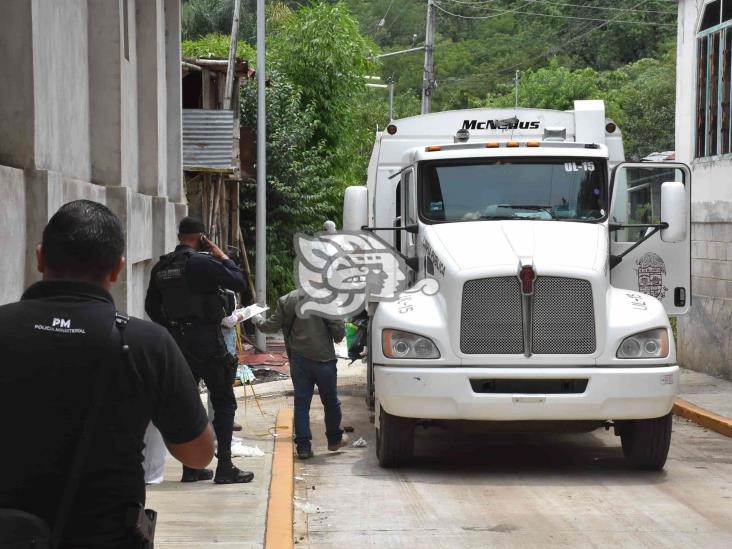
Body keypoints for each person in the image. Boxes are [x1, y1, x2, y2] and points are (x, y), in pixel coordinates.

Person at [0, 200, 215, 548]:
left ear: (40, 257)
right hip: (106, 535)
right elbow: (198, 454)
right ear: (117, 270)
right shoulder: (147, 344)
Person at [145, 217, 253, 484]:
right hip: (206, 339)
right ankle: (225, 466)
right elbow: (239, 281)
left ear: (180, 235)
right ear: (202, 237)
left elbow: (151, 307)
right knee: (223, 401)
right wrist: (221, 255)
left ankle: (191, 468)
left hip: (178, 343)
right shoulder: (202, 263)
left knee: (188, 403)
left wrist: (173, 327)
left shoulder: (162, 267)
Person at [253, 289, 347, 459]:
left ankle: (303, 447)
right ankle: (334, 440)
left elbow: (271, 326)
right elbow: (339, 331)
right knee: (331, 402)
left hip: (299, 360)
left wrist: (257, 320)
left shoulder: (287, 299)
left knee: (302, 404)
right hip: (324, 359)